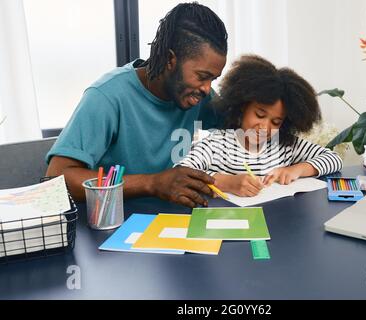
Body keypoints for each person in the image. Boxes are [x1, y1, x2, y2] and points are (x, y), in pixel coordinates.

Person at [46, 3, 228, 208]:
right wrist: (151, 183)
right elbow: (56, 178)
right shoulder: (107, 96)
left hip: (172, 222)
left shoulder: (197, 94)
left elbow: (242, 125)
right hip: (113, 224)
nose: (206, 88)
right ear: (170, 59)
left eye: (213, 79)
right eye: (202, 77)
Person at [177, 55, 343, 197]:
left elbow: (333, 159)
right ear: (242, 106)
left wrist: (296, 170)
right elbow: (182, 173)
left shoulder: (285, 145)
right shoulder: (217, 144)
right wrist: (227, 182)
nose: (265, 127)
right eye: (260, 115)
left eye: (276, 122)